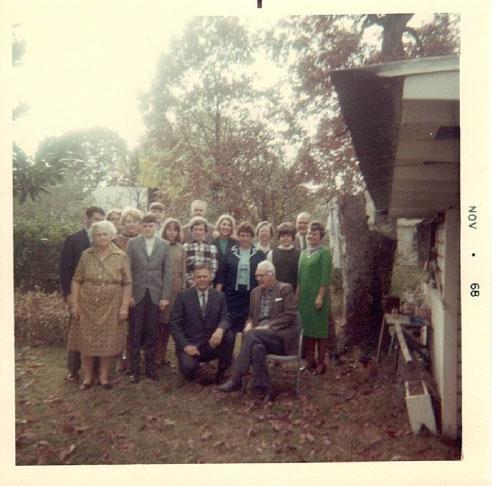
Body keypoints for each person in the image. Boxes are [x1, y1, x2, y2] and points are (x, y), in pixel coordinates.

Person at [218, 260, 299, 401]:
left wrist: (268, 326)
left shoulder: (285, 289)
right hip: (258, 336)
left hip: (279, 338)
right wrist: (249, 324)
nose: (257, 279)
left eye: (260, 276)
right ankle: (263, 387)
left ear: (270, 274)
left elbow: (290, 315)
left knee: (252, 334)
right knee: (257, 348)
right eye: (256, 276)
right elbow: (251, 316)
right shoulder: (255, 292)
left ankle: (236, 378)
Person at [70, 220, 132, 389]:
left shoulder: (121, 256)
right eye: (98, 234)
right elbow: (76, 280)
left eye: (105, 234)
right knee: (86, 340)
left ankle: (104, 377)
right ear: (93, 237)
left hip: (112, 305)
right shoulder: (86, 255)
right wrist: (74, 303)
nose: (102, 237)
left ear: (112, 236)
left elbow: (127, 283)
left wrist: (124, 306)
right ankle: (88, 377)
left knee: (109, 341)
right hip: (87, 304)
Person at [59, 206, 105, 382]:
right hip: (78, 294)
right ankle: (73, 369)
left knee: (97, 331)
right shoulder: (74, 239)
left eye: (102, 219)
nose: (98, 223)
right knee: (76, 331)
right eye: (95, 219)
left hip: (99, 296)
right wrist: (69, 295)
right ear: (87, 219)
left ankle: (95, 368)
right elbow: (64, 269)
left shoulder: (105, 240)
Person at [169, 264, 232, 385]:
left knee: (229, 335)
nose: (202, 279)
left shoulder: (219, 296)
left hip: (211, 343)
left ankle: (222, 371)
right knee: (188, 371)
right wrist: (185, 346)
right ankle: (193, 367)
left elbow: (226, 317)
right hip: (191, 344)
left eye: (205, 276)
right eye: (199, 277)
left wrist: (220, 329)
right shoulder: (183, 296)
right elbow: (174, 324)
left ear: (210, 277)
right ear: (193, 278)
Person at [127, 214, 171, 383]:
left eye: (151, 226)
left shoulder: (163, 245)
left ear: (156, 226)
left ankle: (151, 368)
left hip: (155, 293)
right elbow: (128, 270)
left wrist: (165, 296)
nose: (147, 229)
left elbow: (167, 272)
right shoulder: (133, 243)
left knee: (152, 332)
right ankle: (134, 369)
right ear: (140, 227)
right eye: (144, 226)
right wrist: (129, 294)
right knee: (136, 331)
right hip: (137, 293)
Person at [216, 222, 266, 359]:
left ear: (252, 237)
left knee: (248, 326)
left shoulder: (259, 254)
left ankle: (245, 357)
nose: (244, 238)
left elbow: (264, 275)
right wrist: (218, 292)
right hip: (232, 294)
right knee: (230, 327)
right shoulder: (230, 252)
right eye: (242, 235)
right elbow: (222, 273)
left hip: (251, 295)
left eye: (248, 235)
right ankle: (226, 358)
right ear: (238, 236)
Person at [297, 221, 332, 375]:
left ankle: (321, 363)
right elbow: (300, 277)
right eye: (310, 233)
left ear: (321, 236)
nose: (311, 235)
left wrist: (320, 297)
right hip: (304, 298)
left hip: (318, 297)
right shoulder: (303, 253)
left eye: (314, 233)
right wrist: (297, 295)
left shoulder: (324, 253)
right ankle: (309, 361)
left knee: (320, 331)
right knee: (308, 330)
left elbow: (325, 277)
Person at [112, 207, 143, 371]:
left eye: (135, 221)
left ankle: (132, 358)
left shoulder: (144, 240)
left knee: (135, 326)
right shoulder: (116, 241)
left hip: (138, 289)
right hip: (118, 288)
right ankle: (118, 359)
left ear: (139, 224)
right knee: (119, 325)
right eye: (128, 221)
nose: (131, 225)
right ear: (122, 223)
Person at [156, 218, 186, 367]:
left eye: (175, 230)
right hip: (161, 288)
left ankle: (164, 356)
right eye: (169, 229)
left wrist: (183, 289)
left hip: (176, 290)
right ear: (164, 230)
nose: (172, 232)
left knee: (170, 324)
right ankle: (155, 356)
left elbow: (184, 270)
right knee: (158, 324)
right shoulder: (159, 245)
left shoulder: (181, 248)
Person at [183, 217, 218, 287]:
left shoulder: (212, 248)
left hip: (207, 284)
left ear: (205, 231)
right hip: (190, 285)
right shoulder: (185, 247)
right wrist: (191, 281)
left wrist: (207, 280)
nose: (198, 232)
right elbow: (183, 268)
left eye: (201, 230)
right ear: (191, 231)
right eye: (195, 230)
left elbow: (214, 268)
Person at [267, 222, 301, 291]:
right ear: (279, 238)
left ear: (292, 237)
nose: (285, 238)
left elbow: (300, 275)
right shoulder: (272, 253)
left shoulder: (299, 254)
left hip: (292, 290)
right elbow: (269, 273)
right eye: (283, 236)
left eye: (288, 236)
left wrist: (297, 292)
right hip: (276, 291)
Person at [212, 214, 237, 285]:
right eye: (224, 224)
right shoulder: (213, 242)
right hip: (215, 280)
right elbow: (207, 261)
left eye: (229, 225)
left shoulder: (236, 244)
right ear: (219, 226)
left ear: (232, 228)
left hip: (231, 280)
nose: (226, 227)